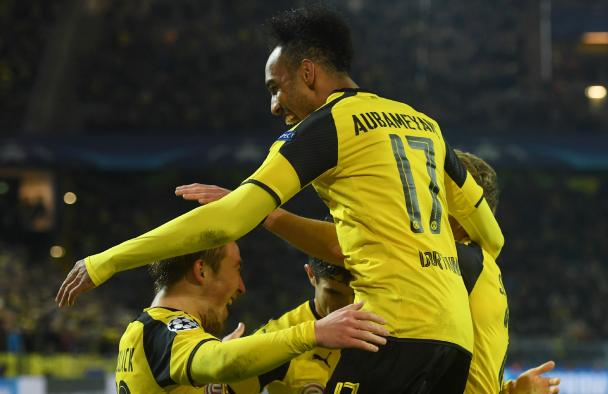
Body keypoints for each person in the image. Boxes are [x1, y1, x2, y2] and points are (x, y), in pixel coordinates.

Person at [56, 6, 503, 392]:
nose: (273, 105)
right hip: (454, 339)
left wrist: (108, 260)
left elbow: (225, 223)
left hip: (387, 331)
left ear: (308, 72)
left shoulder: (328, 126)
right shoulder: (424, 124)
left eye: (275, 86)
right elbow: (491, 235)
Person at [174, 151, 559, 394]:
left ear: (458, 214)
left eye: (432, 194)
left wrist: (260, 209)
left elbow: (341, 246)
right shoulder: (476, 273)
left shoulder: (455, 261)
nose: (419, 204)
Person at [115, 239, 388, 393]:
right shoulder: (166, 331)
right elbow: (218, 361)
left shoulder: (144, 332)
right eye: (236, 269)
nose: (242, 287)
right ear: (202, 271)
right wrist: (313, 332)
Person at [229, 256, 354, 394]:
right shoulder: (277, 337)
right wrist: (227, 363)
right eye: (334, 293)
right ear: (311, 274)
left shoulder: (379, 325)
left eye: (357, 293)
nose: (348, 305)